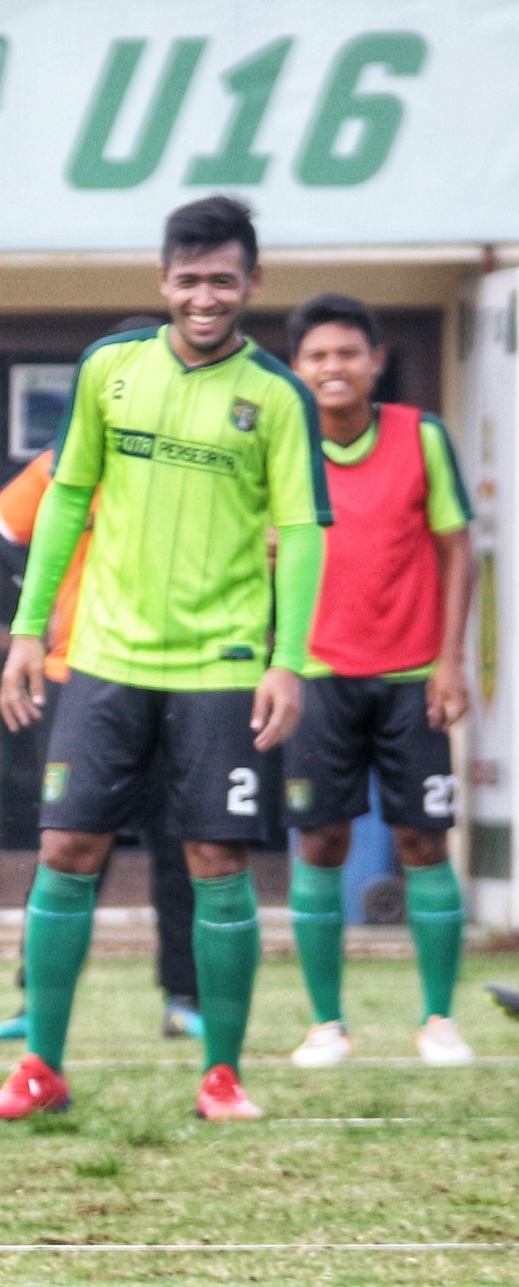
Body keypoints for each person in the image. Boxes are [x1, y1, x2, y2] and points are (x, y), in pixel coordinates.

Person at [0, 195, 329, 1124]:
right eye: (189, 279)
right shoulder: (110, 369)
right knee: (67, 848)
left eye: (223, 279)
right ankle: (39, 1068)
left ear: (250, 283)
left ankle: (222, 1073)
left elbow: (301, 534)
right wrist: (26, 632)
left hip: (220, 668)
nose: (204, 296)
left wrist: (287, 660)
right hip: (103, 658)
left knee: (217, 857)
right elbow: (64, 498)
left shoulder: (281, 397)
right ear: (161, 280)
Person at [0, 326, 203, 1045]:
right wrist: (36, 615)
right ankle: (35, 999)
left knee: (181, 841)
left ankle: (185, 997)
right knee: (74, 845)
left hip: (179, 671)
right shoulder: (62, 463)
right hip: (78, 672)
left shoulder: (188, 463)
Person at [281, 293, 476, 1068]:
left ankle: (439, 1019)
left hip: (411, 677)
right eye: (317, 356)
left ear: (375, 361)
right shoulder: (283, 446)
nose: (333, 367)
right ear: (297, 370)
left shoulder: (421, 435)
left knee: (423, 839)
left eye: (346, 353)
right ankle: (327, 1023)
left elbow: (461, 549)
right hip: (317, 676)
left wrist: (452, 659)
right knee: (320, 840)